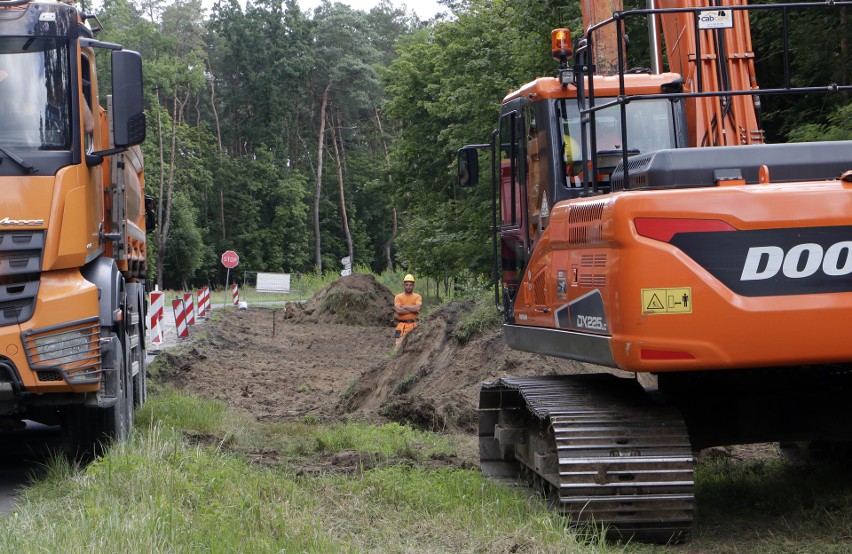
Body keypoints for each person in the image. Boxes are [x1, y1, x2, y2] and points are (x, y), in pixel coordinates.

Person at [393, 274, 422, 347]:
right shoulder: (398, 297)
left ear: (413, 285)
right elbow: (398, 310)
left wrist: (405, 306)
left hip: (414, 325)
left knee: (414, 346)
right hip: (402, 326)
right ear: (404, 285)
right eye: (407, 285)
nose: (409, 287)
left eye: (410, 285)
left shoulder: (417, 297)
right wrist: (413, 309)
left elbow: (418, 308)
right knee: (398, 346)